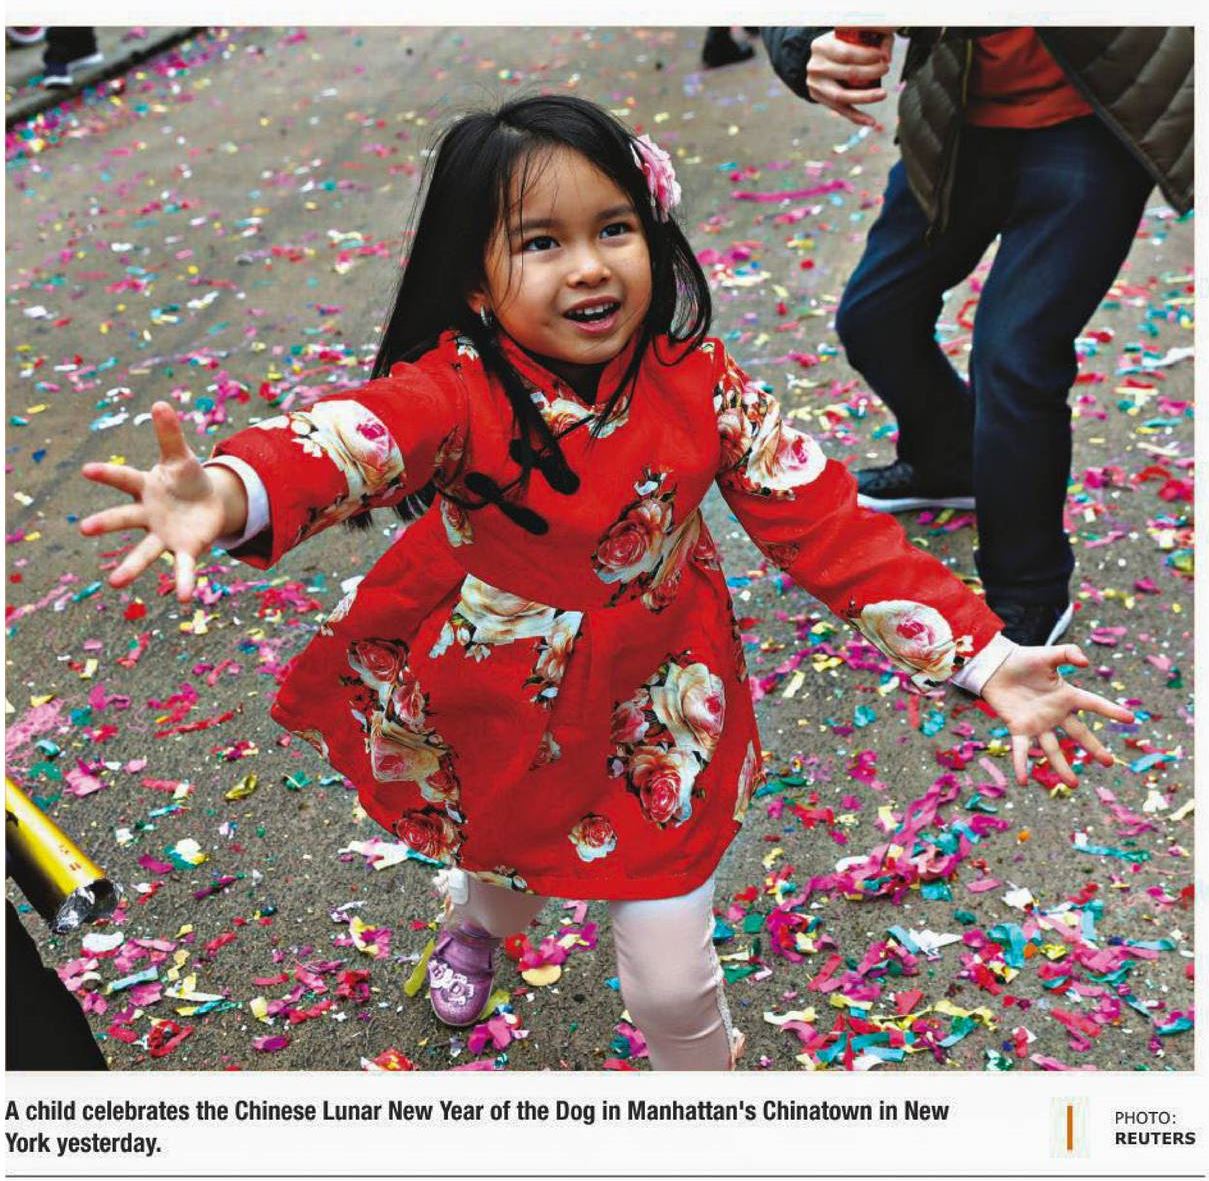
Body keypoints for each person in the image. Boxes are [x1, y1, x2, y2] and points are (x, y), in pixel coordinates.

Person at [79, 94, 1134, 1070]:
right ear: (473, 277)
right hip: (499, 682)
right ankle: (476, 925)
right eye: (541, 242)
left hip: (659, 697)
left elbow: (824, 520)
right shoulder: (455, 389)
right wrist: (232, 491)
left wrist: (981, 653)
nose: (588, 268)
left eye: (614, 228)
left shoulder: (700, 380)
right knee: (500, 865)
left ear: (654, 234)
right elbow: (356, 440)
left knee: (671, 978)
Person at [762, 27, 1193, 646]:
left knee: (1015, 354)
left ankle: (1029, 590)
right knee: (875, 317)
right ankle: (947, 462)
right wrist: (804, 43)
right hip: (956, 111)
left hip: (1094, 121)